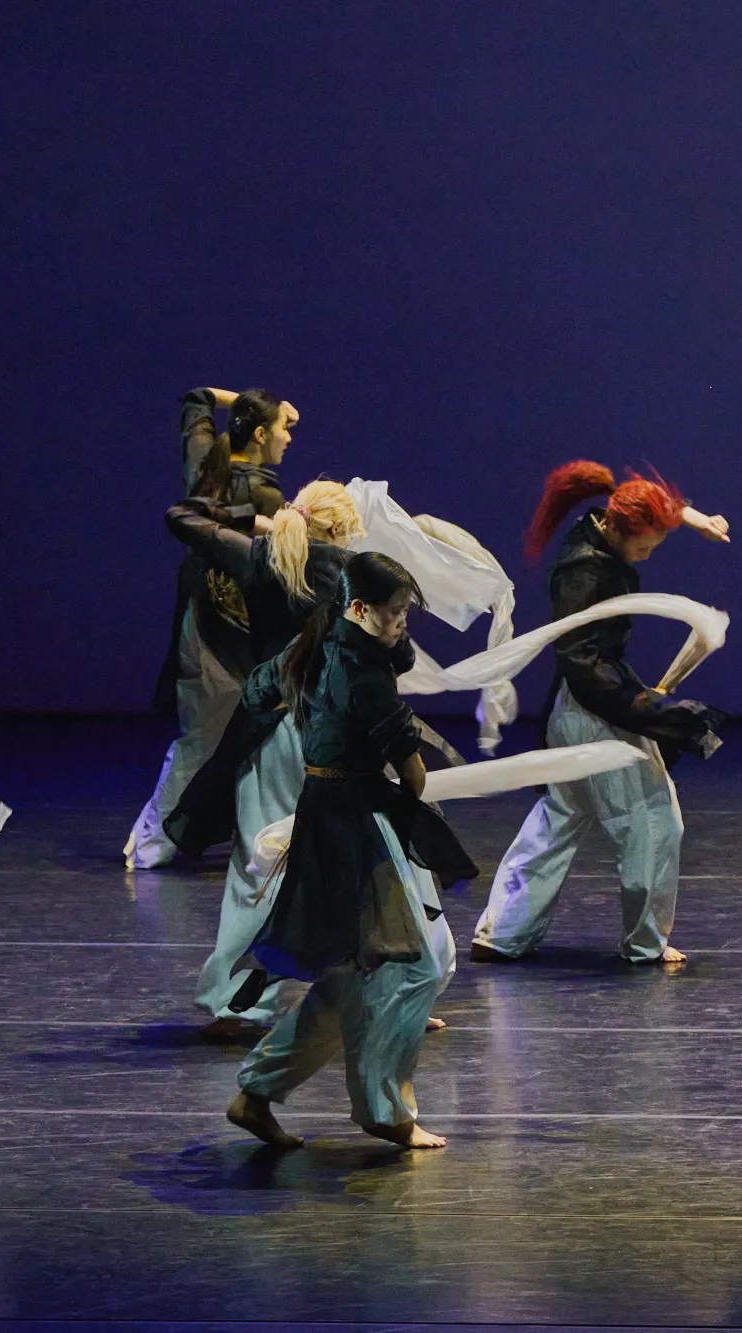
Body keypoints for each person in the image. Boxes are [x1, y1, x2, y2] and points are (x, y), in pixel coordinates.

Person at [226, 552, 473, 1151]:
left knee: (350, 973)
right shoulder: (362, 675)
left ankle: (257, 1092)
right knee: (412, 969)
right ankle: (384, 1110)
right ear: (360, 609)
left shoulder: (315, 644)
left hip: (325, 807)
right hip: (354, 821)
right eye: (394, 612)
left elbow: (259, 692)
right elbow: (413, 775)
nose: (403, 622)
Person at [470, 461, 730, 966]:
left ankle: (501, 933)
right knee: (653, 819)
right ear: (618, 530)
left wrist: (691, 517)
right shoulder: (586, 573)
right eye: (644, 548)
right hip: (592, 708)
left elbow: (639, 499)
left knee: (563, 814)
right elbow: (580, 658)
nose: (646, 556)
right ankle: (645, 942)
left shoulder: (597, 526)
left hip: (573, 708)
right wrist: (642, 707)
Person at [158, 480, 363, 1036]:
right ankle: (382, 990)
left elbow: (181, 514)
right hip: (327, 730)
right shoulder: (347, 571)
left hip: (268, 728)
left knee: (260, 864)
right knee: (363, 858)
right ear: (340, 529)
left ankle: (235, 1002)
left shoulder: (256, 555)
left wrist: (254, 517)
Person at [124, 387, 298, 870]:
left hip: (199, 623)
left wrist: (256, 404)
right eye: (281, 429)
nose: (288, 437)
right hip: (229, 635)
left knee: (213, 737)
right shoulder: (262, 494)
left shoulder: (205, 463)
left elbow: (197, 398)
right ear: (259, 435)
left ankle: (168, 836)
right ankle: (157, 838)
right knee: (220, 736)